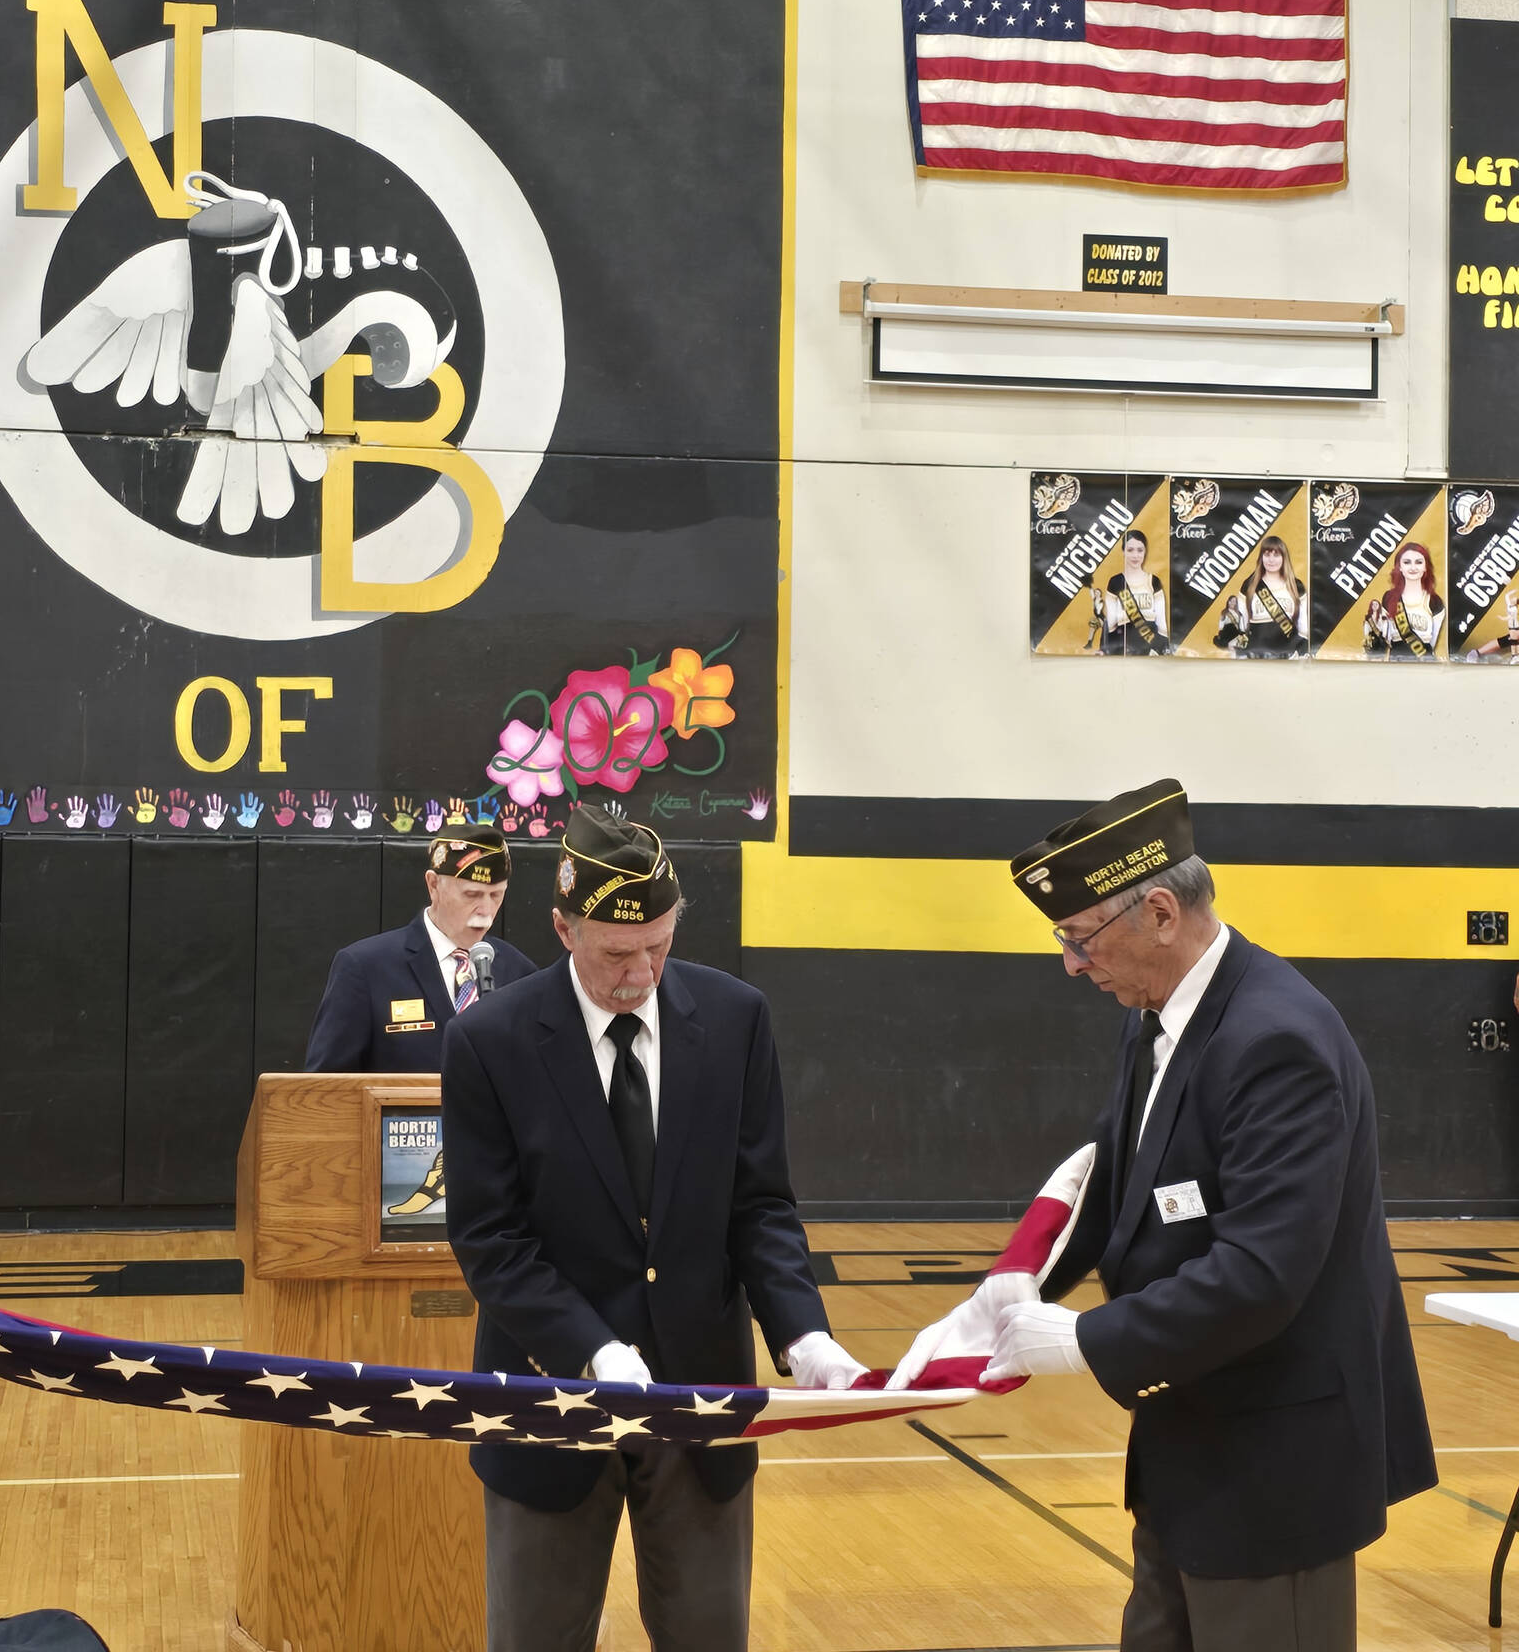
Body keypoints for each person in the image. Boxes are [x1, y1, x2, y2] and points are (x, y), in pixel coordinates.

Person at [891, 778, 1434, 1652]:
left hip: (1274, 1473)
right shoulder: (1157, 1014)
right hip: (1190, 1454)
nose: (1071, 963)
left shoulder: (1275, 1040)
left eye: (1079, 937)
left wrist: (1083, 1340)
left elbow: (1262, 1274)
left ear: (1158, 912)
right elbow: (1118, 1181)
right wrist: (1005, 1290)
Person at [441, 805, 855, 1652]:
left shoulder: (736, 1020)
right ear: (562, 927)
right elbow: (491, 1239)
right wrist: (594, 1348)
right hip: (548, 1403)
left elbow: (760, 1205)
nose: (641, 973)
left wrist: (805, 1334)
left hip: (701, 1399)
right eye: (616, 954)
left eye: (659, 947)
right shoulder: (491, 1041)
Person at [303, 821, 536, 1073]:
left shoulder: (520, 973)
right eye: (472, 895)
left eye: (496, 896)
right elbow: (324, 1087)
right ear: (433, 885)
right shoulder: (366, 968)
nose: (486, 912)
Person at [1213, 534, 1308, 658]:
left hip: (1288, 654)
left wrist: (1301, 652)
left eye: (1276, 555)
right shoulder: (1249, 585)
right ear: (1261, 557)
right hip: (1253, 654)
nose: (1271, 560)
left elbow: (1303, 626)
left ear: (1284, 558)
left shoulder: (1296, 586)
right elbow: (1242, 623)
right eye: (1267, 555)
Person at [1363, 541, 1444, 660]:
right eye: (1407, 562)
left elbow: (1432, 642)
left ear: (1425, 567)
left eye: (1419, 562)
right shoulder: (1389, 597)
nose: (1413, 567)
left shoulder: (1435, 602)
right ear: (1399, 567)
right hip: (1396, 663)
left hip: (1423, 665)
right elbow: (1387, 636)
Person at [1099, 528, 1170, 655]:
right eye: (1130, 550)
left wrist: (1162, 647)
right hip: (1123, 645)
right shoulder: (1115, 582)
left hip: (1150, 647)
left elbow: (1161, 622)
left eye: (1140, 550)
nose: (1135, 555)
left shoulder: (1154, 581)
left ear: (1145, 552)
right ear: (1123, 551)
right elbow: (1111, 622)